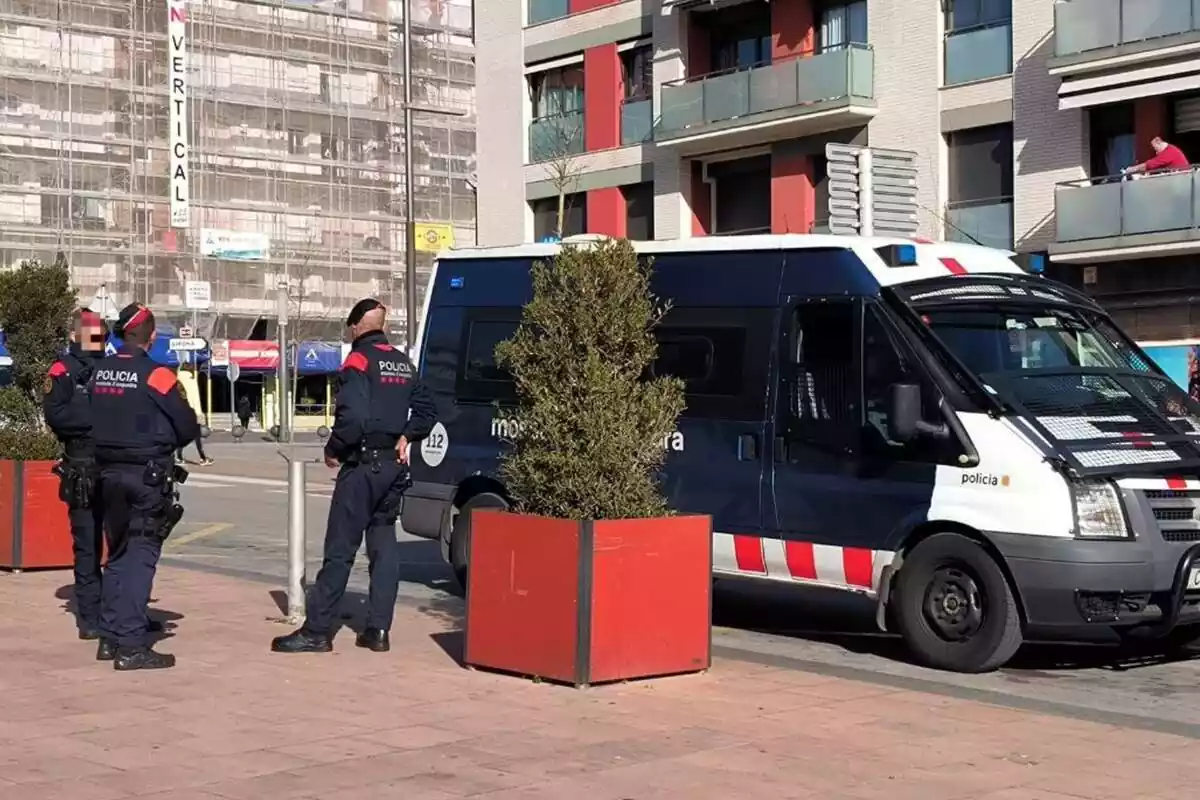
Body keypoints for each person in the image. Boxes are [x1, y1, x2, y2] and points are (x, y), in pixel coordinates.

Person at [272, 298, 436, 654]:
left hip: (363, 466)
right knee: (383, 546)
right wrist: (407, 435)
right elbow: (427, 410)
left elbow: (352, 418)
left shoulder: (358, 361)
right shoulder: (403, 363)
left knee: (340, 550)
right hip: (394, 465)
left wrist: (334, 449)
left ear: (356, 326)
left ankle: (317, 631)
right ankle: (378, 631)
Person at [89, 303, 200, 670]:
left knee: (117, 554)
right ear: (151, 337)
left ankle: (110, 636)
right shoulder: (157, 375)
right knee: (140, 556)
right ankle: (132, 645)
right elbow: (187, 426)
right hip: (146, 477)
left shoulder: (99, 372)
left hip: (106, 475)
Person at [42, 308, 163, 642]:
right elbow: (58, 417)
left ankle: (122, 616)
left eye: (100, 333)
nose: (96, 339)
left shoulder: (111, 368)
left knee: (123, 545)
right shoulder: (62, 371)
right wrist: (98, 418)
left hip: (115, 466)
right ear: (73, 335)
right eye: (89, 333)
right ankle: (90, 616)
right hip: (82, 466)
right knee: (88, 546)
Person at [1123, 137, 1190, 176]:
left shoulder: (1168, 152)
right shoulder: (1171, 149)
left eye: (1156, 148)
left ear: (1159, 143)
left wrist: (1132, 169)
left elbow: (1149, 165)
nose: (1156, 152)